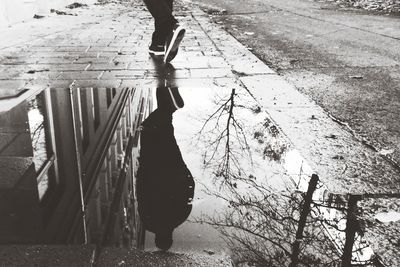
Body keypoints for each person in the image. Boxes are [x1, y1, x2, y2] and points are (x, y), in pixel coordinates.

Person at [137, 86, 195, 251]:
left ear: (170, 237)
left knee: (164, 132)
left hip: (170, 167)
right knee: (152, 130)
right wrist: (142, 171)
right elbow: (141, 194)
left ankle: (166, 98)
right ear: (158, 237)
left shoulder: (180, 217)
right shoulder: (148, 221)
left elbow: (189, 189)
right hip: (153, 168)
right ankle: (168, 100)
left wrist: (183, 168)